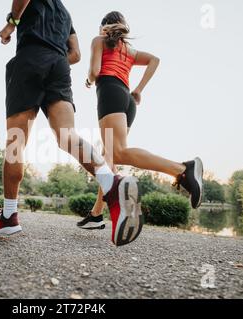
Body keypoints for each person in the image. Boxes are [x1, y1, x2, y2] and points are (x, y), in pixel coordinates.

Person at [0, 1, 143, 247]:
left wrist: (12, 23)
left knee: (16, 139)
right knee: (66, 136)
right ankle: (112, 184)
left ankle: (9, 216)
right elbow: (76, 55)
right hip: (59, 66)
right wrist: (54, 59)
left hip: (30, 59)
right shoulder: (65, 14)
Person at [77, 11, 204, 232]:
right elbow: (155, 60)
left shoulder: (99, 41)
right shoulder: (129, 50)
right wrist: (138, 89)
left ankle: (183, 170)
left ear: (103, 27)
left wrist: (87, 80)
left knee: (116, 153)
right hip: (127, 100)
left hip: (110, 93)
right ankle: (97, 213)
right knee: (109, 157)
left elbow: (95, 71)